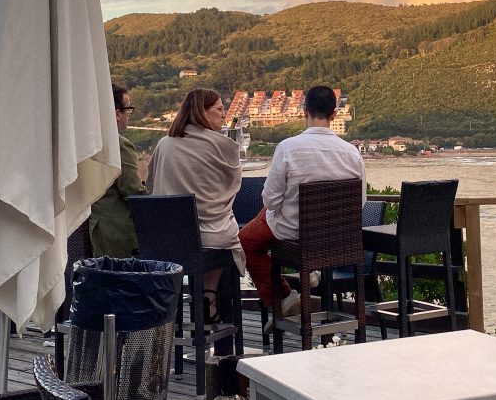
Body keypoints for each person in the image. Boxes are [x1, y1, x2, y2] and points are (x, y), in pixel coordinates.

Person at [239, 85, 367, 329]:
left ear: (304, 111)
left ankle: (284, 297)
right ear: (335, 114)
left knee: (245, 241)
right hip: (334, 238)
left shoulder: (288, 148)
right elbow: (359, 203)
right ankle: (310, 273)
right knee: (271, 220)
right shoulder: (352, 153)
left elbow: (271, 200)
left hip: (293, 235)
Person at [147, 88, 243, 323]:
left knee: (207, 230)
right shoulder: (222, 145)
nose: (224, 114)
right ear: (202, 112)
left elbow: (150, 184)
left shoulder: (164, 144)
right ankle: (208, 296)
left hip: (167, 239)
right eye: (219, 109)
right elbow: (232, 185)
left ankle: (185, 305)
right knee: (225, 228)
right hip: (210, 239)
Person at [88, 84, 146, 257]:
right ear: (117, 113)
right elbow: (133, 192)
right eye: (128, 108)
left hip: (95, 228)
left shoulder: (89, 144)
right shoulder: (120, 146)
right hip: (119, 233)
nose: (129, 113)